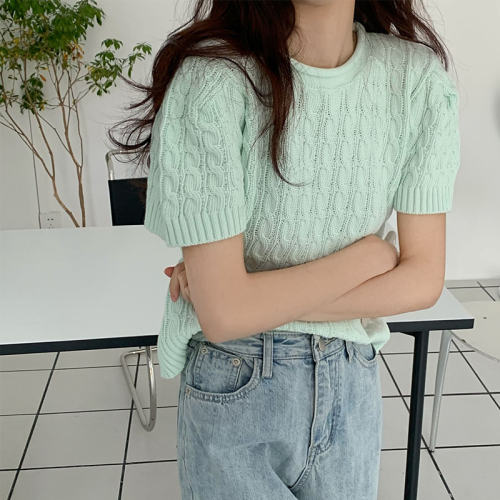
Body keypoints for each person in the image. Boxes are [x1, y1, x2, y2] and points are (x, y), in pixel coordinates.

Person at [108, 1, 461, 498]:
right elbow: (225, 316)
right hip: (237, 380)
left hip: (351, 380)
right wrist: (370, 259)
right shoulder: (213, 80)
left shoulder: (417, 81)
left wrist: (246, 297)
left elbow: (423, 281)